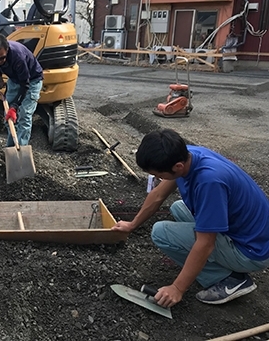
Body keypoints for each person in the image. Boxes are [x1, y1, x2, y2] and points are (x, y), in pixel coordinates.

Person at [112, 128, 269, 307]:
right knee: (178, 207)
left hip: (252, 251)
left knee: (161, 232)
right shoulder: (187, 155)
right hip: (251, 233)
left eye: (159, 175)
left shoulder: (209, 182)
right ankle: (223, 266)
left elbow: (206, 243)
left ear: (177, 167)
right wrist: (132, 225)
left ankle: (230, 280)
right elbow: (157, 195)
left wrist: (177, 288)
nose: (157, 178)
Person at [0, 33, 44, 147]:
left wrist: (15, 106)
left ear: (7, 49)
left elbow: (25, 85)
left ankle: (21, 149)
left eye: (2, 58)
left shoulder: (18, 56)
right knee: (8, 116)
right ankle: (11, 147)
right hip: (14, 79)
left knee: (24, 115)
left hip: (31, 81)